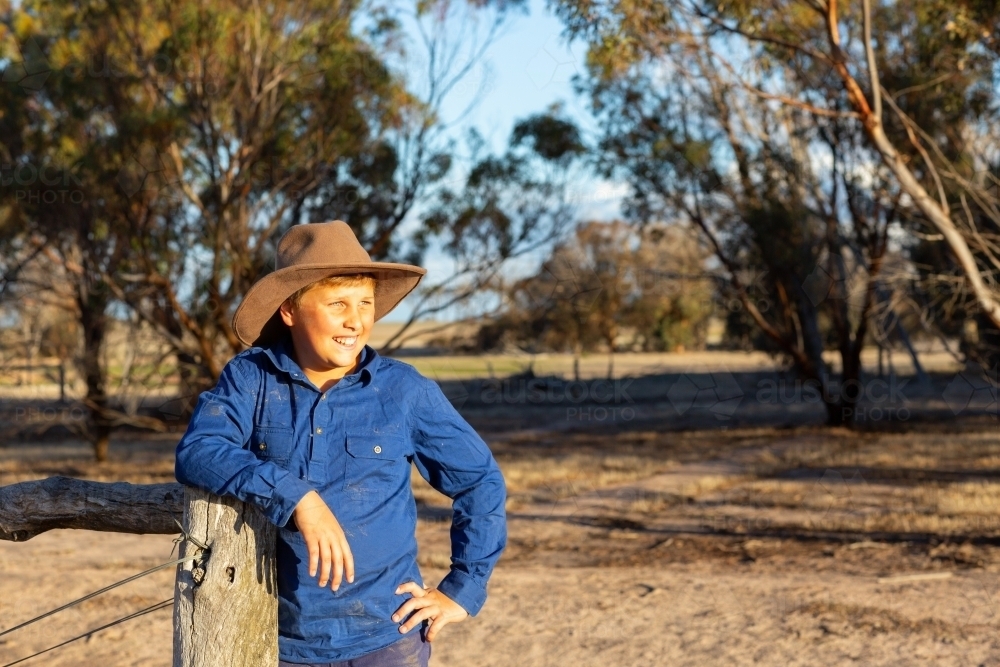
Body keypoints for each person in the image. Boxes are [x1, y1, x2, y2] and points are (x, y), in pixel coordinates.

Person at [174, 220, 507, 666]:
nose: (357, 320)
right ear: (290, 311)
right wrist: (297, 497)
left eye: (365, 303)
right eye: (338, 304)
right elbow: (198, 450)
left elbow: (480, 481)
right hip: (277, 643)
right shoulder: (251, 378)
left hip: (388, 640)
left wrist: (462, 590)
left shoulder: (404, 391)